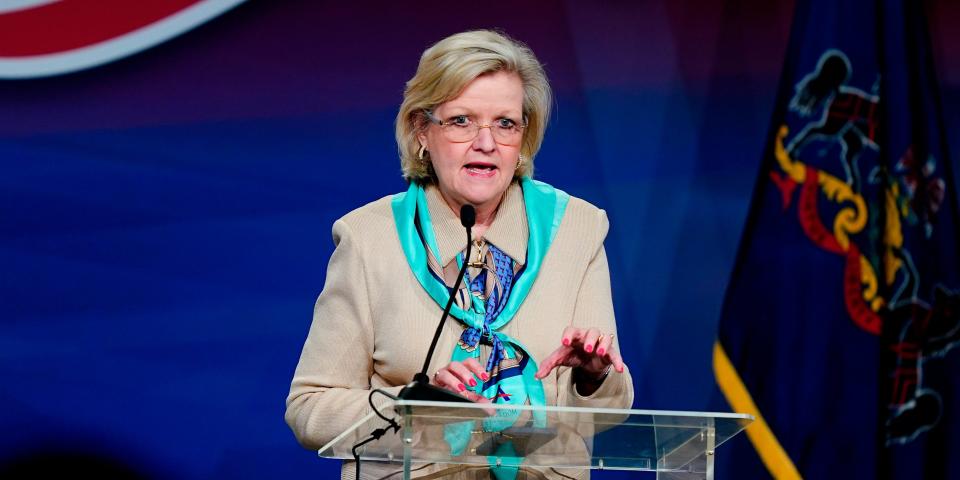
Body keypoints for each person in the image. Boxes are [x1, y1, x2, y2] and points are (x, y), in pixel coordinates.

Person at [286, 29, 633, 479]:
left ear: (524, 139)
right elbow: (310, 407)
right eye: (462, 121)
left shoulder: (576, 229)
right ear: (421, 131)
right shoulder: (370, 238)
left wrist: (593, 378)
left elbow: (610, 413)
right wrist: (415, 409)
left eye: (505, 123)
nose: (486, 142)